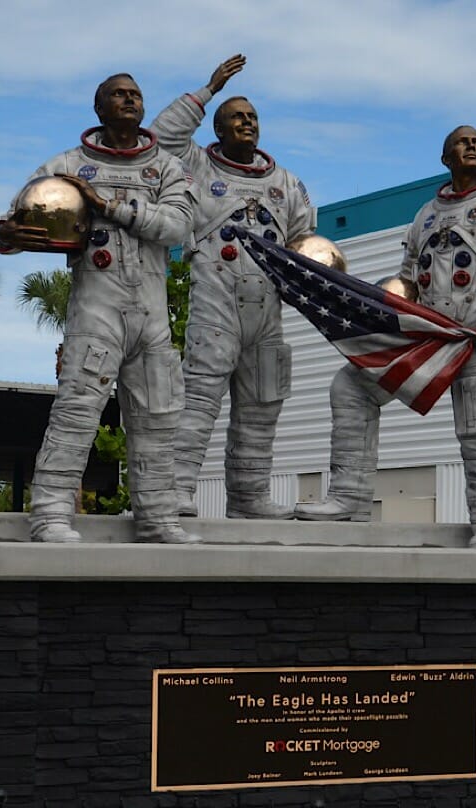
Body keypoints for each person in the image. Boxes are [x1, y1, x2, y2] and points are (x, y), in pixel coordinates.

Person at [295, 126, 476, 549]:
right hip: (428, 338)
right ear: (445, 157)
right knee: (351, 385)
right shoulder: (426, 215)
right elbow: (407, 280)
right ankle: (349, 499)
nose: (472, 145)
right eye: (462, 141)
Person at [0, 73, 199, 544]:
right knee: (77, 411)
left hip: (150, 313)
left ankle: (158, 518)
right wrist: (7, 236)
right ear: (99, 108)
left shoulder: (166, 167)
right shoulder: (67, 165)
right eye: (118, 95)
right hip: (96, 308)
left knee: (158, 417)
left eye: (136, 94)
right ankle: (49, 514)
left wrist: (106, 204)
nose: (130, 100)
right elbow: (17, 218)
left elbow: (178, 227)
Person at [150, 54, 316, 519]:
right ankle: (177, 490)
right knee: (199, 399)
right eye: (236, 117)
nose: (247, 123)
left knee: (262, 403)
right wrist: (209, 91)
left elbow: (306, 243)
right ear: (218, 129)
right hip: (216, 299)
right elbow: (162, 136)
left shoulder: (286, 183)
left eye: (253, 117)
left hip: (267, 309)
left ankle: (249, 497)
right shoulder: (199, 168)